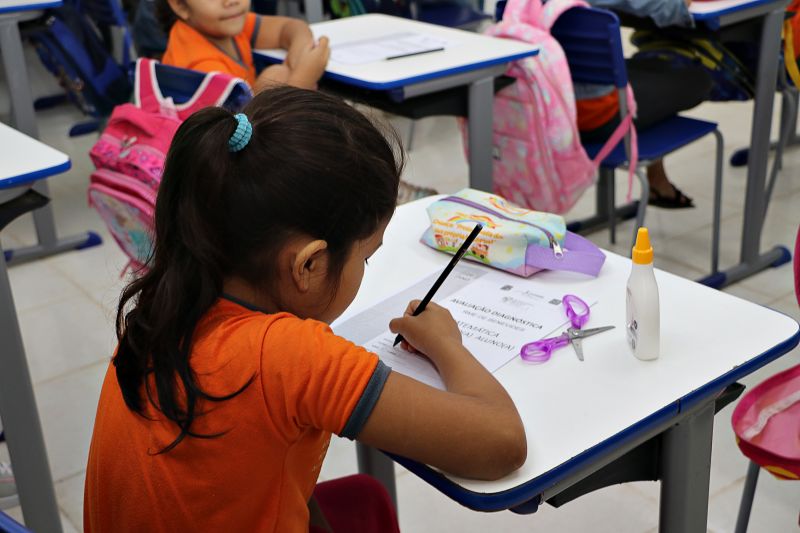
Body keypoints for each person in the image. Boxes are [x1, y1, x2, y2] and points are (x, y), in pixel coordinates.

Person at [84, 87, 527, 532]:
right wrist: (446, 344)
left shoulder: (165, 306)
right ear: (309, 265)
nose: (366, 270)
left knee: (363, 498)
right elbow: (503, 443)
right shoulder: (288, 354)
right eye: (366, 257)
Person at [577, 0, 713, 208]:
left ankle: (657, 178)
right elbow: (668, 8)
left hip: (545, 111)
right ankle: (656, 179)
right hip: (594, 118)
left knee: (646, 68)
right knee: (699, 80)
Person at [155, 0, 329, 92]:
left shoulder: (222, 24)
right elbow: (258, 138)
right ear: (180, 5)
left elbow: (289, 28)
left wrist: (298, 54)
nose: (231, 1)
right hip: (228, 153)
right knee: (276, 76)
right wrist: (303, 77)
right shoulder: (202, 68)